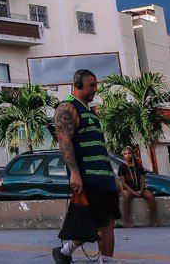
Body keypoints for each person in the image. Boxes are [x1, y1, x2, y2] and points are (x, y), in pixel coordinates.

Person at [52, 69, 119, 264]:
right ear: (78, 84)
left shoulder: (91, 112)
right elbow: (65, 142)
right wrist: (74, 173)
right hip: (88, 177)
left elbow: (100, 149)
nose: (96, 89)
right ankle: (69, 253)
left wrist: (112, 175)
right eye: (92, 85)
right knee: (98, 222)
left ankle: (65, 253)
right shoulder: (67, 108)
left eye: (96, 85)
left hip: (104, 177)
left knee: (105, 221)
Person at [118, 145, 157, 228]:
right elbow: (123, 182)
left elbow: (143, 180)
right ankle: (127, 220)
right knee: (127, 195)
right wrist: (132, 191)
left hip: (139, 189)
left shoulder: (138, 166)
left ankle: (153, 220)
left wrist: (141, 190)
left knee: (150, 195)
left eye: (129, 153)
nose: (127, 155)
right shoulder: (122, 167)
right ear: (123, 155)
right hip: (128, 190)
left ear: (132, 154)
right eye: (126, 154)